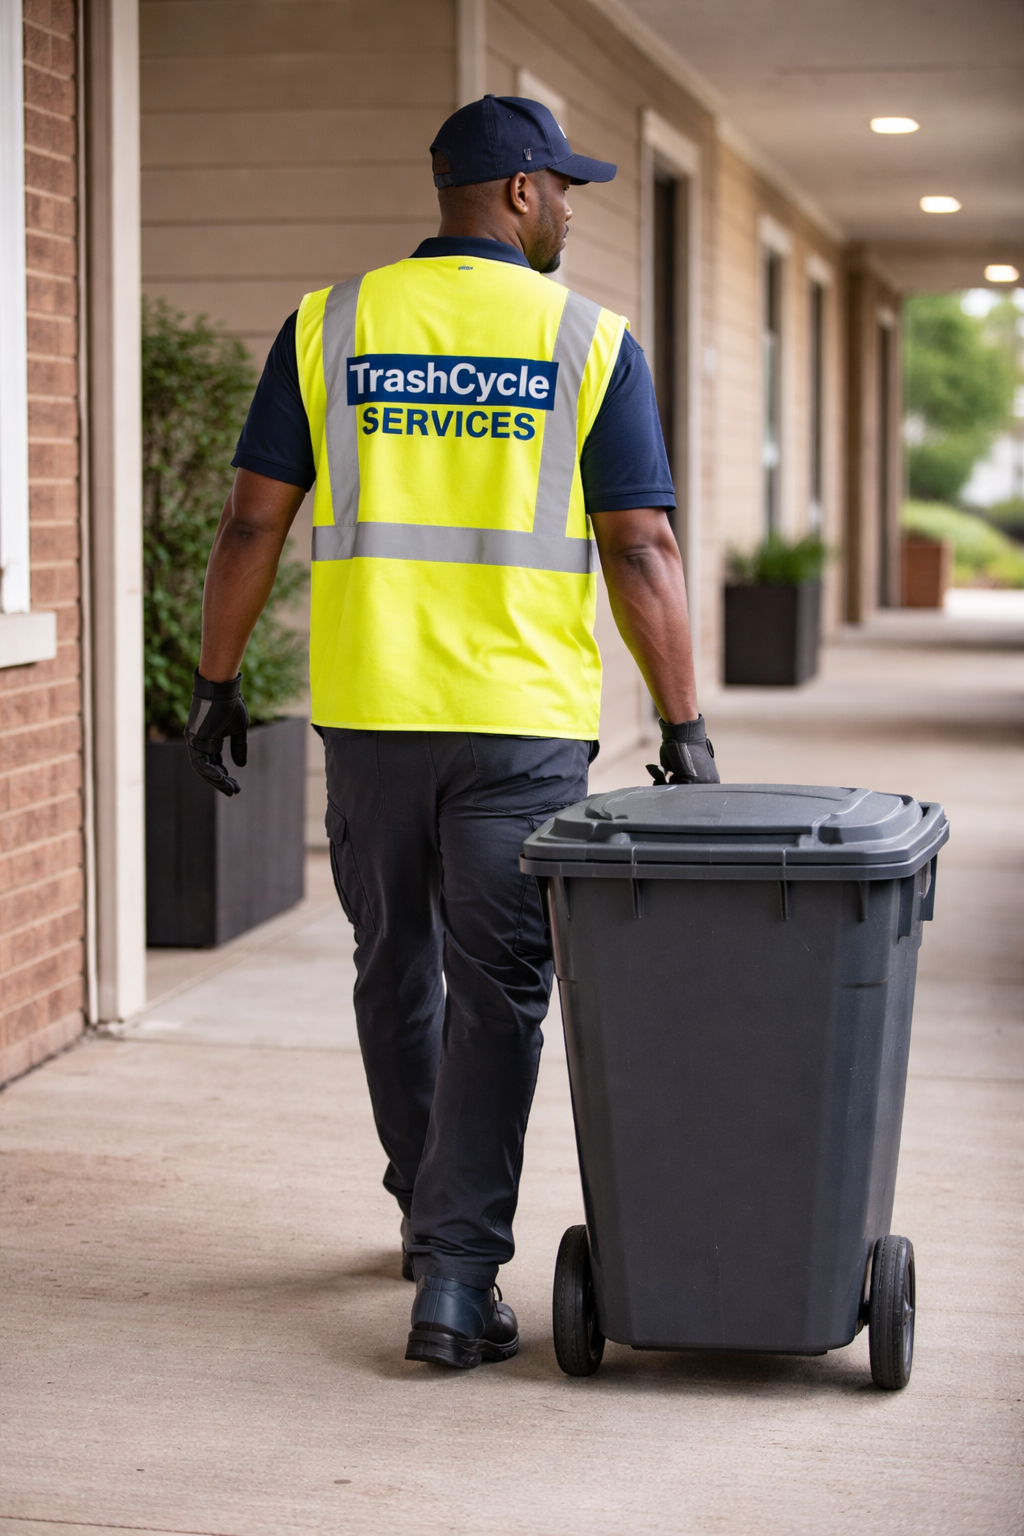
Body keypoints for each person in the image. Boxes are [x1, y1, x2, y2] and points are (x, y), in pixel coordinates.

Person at [184, 95, 719, 1369]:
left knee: (392, 966)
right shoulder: (587, 339)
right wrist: (686, 721)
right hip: (520, 727)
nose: (573, 212)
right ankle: (458, 1274)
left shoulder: (333, 324)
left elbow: (254, 523)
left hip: (373, 714)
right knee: (500, 993)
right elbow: (638, 541)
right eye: (565, 191)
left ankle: (431, 1226)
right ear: (520, 193)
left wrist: (214, 683)